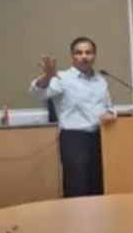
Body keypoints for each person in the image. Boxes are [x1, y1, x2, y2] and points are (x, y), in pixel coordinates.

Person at [30, 37, 117, 198]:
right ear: (72, 56)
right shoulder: (61, 78)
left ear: (94, 56)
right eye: (79, 53)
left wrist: (110, 114)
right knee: (78, 187)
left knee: (98, 186)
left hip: (100, 138)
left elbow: (109, 106)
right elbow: (38, 93)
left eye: (88, 52)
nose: (84, 56)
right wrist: (47, 77)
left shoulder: (100, 80)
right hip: (74, 140)